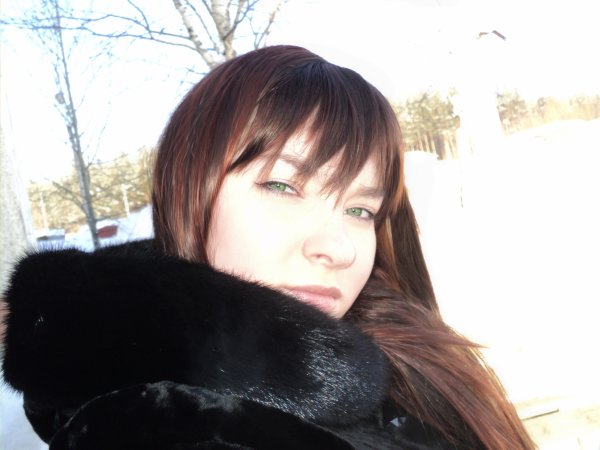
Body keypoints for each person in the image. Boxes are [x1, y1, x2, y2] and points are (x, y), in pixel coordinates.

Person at [1, 45, 535, 449]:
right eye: (283, 186)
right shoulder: (155, 425)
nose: (340, 248)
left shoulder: (411, 353)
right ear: (189, 189)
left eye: (360, 210)